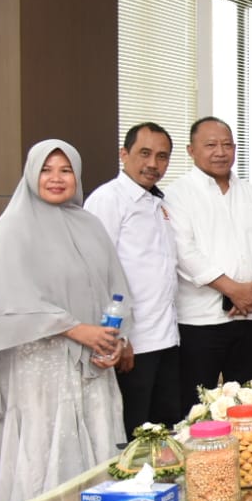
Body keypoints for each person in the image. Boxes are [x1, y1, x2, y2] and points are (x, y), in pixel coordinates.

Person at [0, 140, 128, 501]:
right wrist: (76, 330)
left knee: (96, 437)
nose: (56, 178)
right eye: (46, 170)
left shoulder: (90, 225)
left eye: (65, 170)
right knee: (46, 443)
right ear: (31, 174)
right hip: (40, 364)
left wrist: (113, 339)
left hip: (92, 358)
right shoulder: (12, 227)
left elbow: (115, 290)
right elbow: (11, 300)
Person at [167, 117, 252, 416]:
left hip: (249, 314)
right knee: (198, 407)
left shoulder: (251, 193)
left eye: (227, 145)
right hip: (201, 321)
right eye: (211, 145)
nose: (220, 152)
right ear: (191, 150)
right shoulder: (177, 194)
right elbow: (184, 252)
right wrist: (234, 290)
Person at [84, 122, 179, 433]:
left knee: (165, 430)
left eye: (162, 157)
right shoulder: (108, 200)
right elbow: (96, 273)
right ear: (123, 154)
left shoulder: (158, 203)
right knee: (133, 434)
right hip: (132, 344)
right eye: (144, 153)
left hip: (165, 338)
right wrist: (119, 338)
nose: (153, 164)